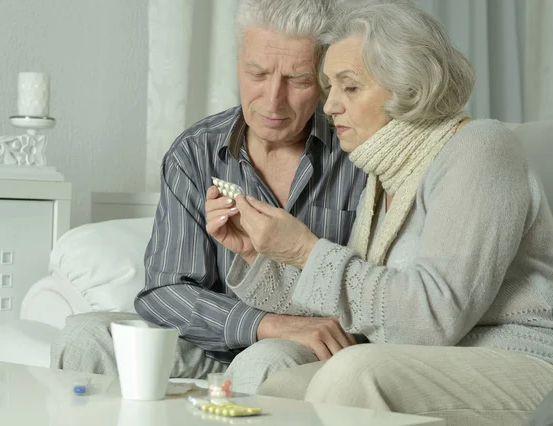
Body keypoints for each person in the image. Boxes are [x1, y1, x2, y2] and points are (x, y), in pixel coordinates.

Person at [211, 1, 553, 424]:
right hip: (428, 362)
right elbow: (357, 311)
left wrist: (305, 250)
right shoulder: (384, 175)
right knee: (279, 389)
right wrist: (258, 254)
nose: (330, 105)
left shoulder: (480, 147)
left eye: (349, 87)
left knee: (355, 373)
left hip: (516, 360)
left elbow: (434, 319)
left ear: (409, 87)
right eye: (329, 86)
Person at [50, 0, 366, 394]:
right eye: (257, 73)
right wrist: (260, 323)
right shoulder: (196, 152)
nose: (272, 101)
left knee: (266, 361)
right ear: (238, 63)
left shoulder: (358, 154)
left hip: (299, 349)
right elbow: (165, 292)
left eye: (298, 80)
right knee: (84, 337)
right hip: (207, 344)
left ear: (324, 77)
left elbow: (372, 296)